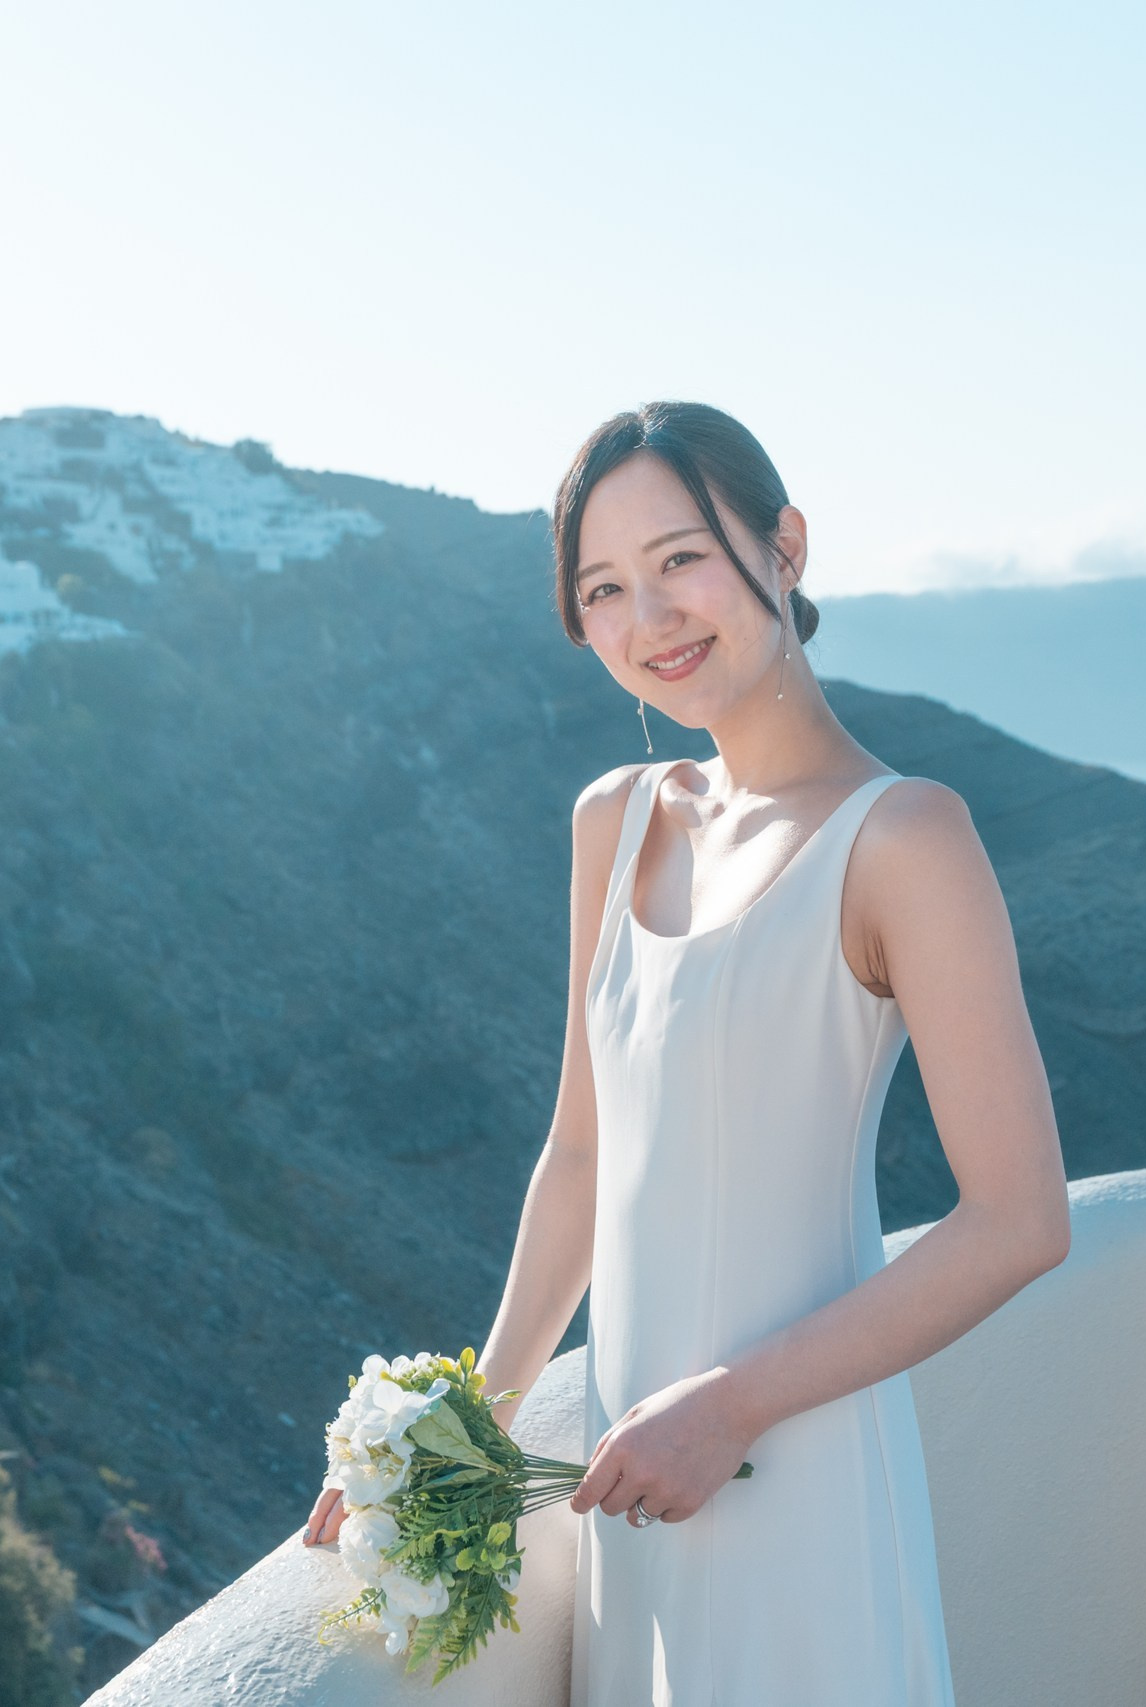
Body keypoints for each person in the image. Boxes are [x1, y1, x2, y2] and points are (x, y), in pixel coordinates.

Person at [305, 401, 1072, 1703]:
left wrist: (729, 1407)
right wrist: (466, 1422)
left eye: (681, 559)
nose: (649, 616)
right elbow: (584, 1153)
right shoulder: (616, 820)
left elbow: (1020, 1220)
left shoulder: (905, 838)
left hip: (794, 1471)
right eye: (604, 588)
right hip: (636, 1486)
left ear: (786, 546)